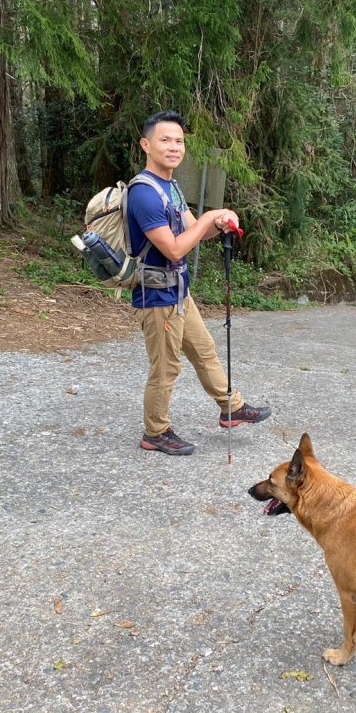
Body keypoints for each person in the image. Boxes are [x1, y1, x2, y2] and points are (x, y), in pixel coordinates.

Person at [127, 110, 271, 456]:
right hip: (157, 297)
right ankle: (155, 432)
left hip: (178, 291)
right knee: (166, 368)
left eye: (179, 141)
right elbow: (175, 247)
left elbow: (195, 233)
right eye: (166, 140)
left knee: (204, 350)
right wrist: (208, 216)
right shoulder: (144, 194)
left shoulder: (171, 187)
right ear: (147, 145)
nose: (174, 147)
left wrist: (218, 222)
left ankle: (231, 407)